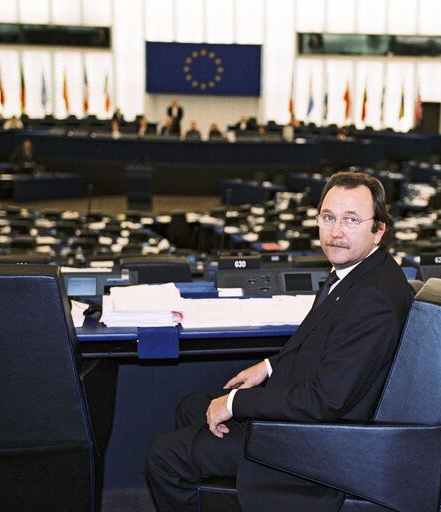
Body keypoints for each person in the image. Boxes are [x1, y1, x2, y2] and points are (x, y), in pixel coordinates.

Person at [145, 171, 415, 511]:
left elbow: (323, 403)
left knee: (163, 455)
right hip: (310, 412)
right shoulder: (360, 273)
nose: (335, 232)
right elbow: (323, 343)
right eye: (328, 218)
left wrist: (234, 404)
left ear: (378, 230)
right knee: (191, 407)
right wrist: (269, 366)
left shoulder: (372, 296)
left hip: (315, 443)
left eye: (351, 220)